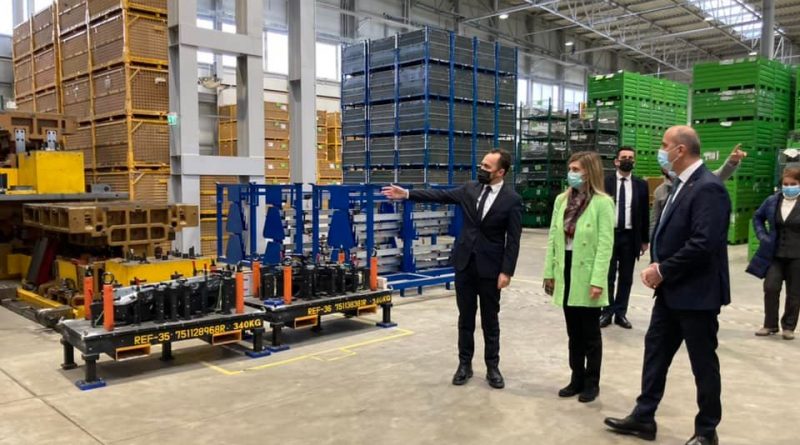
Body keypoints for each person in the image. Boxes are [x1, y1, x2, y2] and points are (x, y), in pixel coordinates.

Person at [604, 126, 731, 445]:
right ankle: (644, 417)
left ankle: (707, 431)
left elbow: (704, 243)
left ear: (681, 150)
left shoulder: (708, 188)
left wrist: (662, 269)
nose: (661, 151)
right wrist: (658, 265)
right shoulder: (679, 184)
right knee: (655, 354)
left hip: (697, 294)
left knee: (703, 364)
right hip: (671, 292)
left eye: (664, 145)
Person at [381, 149, 522, 389]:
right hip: (465, 265)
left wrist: (506, 271)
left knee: (490, 320)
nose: (481, 169)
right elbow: (440, 195)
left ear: (501, 172)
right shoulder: (469, 189)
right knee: (465, 318)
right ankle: (464, 365)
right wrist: (407, 194)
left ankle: (492, 367)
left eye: (487, 167)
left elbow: (514, 239)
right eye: (482, 165)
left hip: (490, 269)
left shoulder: (511, 199)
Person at [542, 151, 614, 403]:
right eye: (570, 169)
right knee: (573, 333)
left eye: (576, 169)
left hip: (587, 272)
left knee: (590, 334)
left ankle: (592, 383)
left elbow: (605, 245)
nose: (571, 174)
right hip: (565, 269)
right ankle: (576, 378)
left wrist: (598, 280)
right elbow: (553, 237)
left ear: (589, 172)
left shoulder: (603, 203)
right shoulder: (562, 200)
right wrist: (549, 273)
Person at [746, 166, 800, 340]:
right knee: (770, 287)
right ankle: (770, 324)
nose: (789, 187)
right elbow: (757, 217)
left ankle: (789, 327)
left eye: (793, 184)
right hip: (775, 254)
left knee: (794, 293)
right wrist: (762, 236)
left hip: (797, 256)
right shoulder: (772, 201)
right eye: (786, 184)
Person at [650, 144, 747, 237]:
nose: (669, 166)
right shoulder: (660, 191)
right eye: (666, 165)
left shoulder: (697, 180)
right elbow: (655, 221)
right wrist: (653, 241)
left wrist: (732, 161)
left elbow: (719, 175)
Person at [601, 147, 650, 329]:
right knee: (608, 276)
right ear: (616, 161)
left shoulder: (641, 185)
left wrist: (644, 239)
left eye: (630, 157)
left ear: (634, 161)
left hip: (630, 237)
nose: (627, 160)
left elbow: (644, 213)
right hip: (609, 235)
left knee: (626, 277)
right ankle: (606, 312)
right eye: (624, 157)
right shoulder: (605, 182)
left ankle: (621, 313)